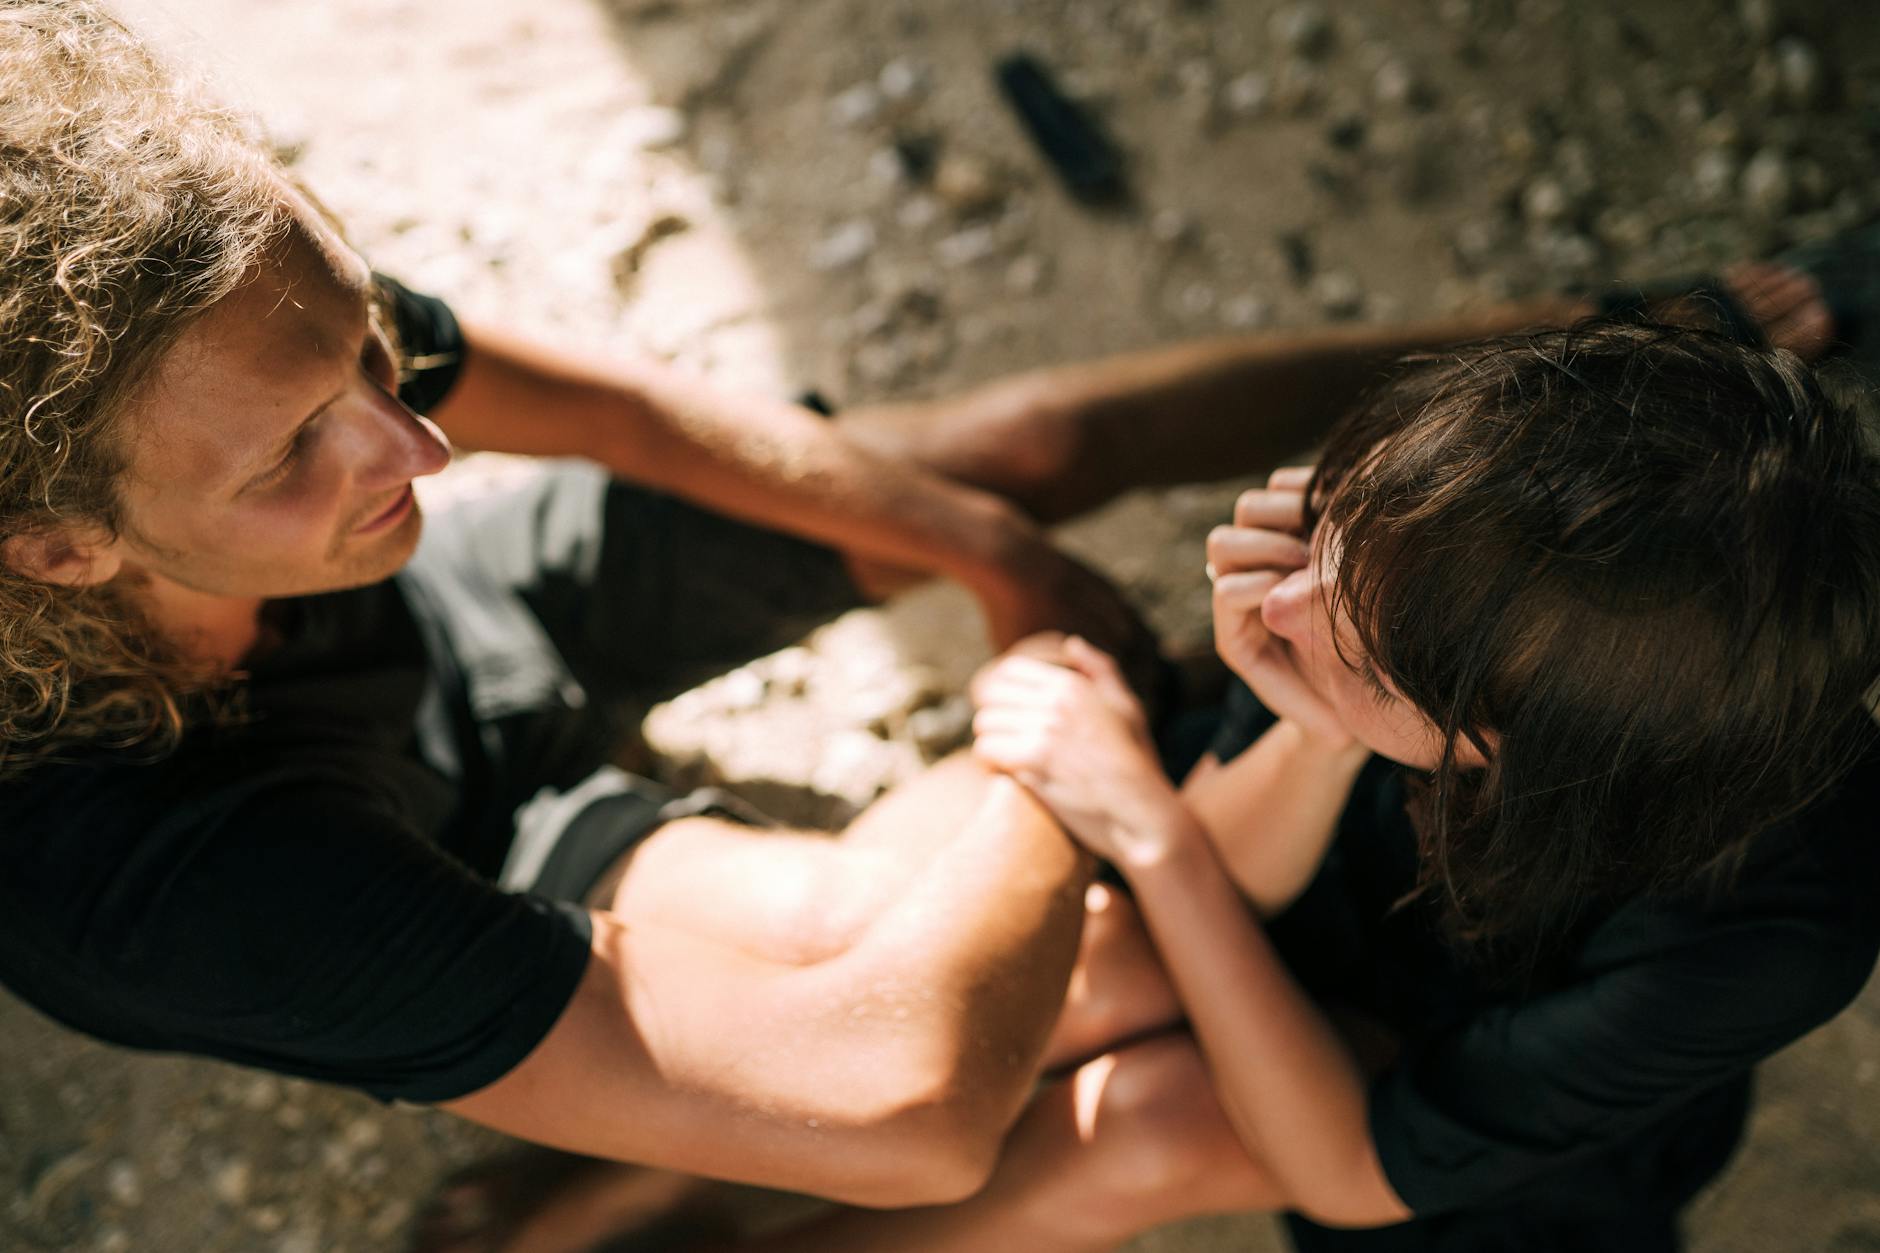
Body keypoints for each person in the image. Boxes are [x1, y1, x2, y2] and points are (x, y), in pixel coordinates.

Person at [1, 2, 1863, 1247]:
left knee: (1030, 486)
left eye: (371, 352)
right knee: (961, 974)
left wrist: (988, 535)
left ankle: (1676, 326)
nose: (419, 440)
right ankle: (657, 1181)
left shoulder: (218, 310)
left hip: (442, 637)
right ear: (56, 549)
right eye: (294, 452)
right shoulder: (157, 886)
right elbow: (901, 1098)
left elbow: (625, 417)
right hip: (372, 830)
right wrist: (1068, 727)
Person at [961, 321, 1880, 1251]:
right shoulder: (1435, 521)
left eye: (1370, 669)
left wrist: (1156, 841)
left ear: (1522, 757)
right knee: (1086, 990)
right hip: (1330, 899)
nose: (1275, 607)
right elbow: (1225, 872)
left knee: (1147, 1121)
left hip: (1477, 1128)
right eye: (1332, 530)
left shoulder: (1772, 928)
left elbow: (1354, 1170)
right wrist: (1318, 730)